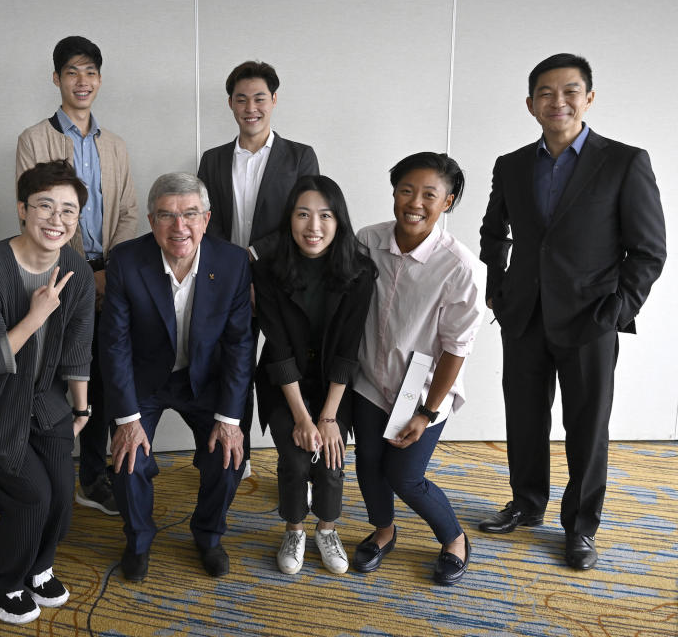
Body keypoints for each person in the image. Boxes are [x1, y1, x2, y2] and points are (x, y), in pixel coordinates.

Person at [478, 54, 667, 570]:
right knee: (523, 417)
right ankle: (526, 502)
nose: (556, 101)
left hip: (591, 319)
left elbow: (648, 251)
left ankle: (581, 527)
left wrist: (614, 312)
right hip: (523, 316)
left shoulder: (626, 161)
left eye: (569, 91)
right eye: (545, 92)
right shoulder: (511, 164)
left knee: (587, 426)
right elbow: (494, 233)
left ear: (588, 97)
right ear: (530, 103)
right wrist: (498, 288)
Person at [0, 160, 95, 624]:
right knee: (32, 497)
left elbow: (78, 347)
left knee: (63, 492)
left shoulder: (77, 271)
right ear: (23, 209)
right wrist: (35, 315)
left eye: (69, 210)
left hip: (40, 392)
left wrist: (81, 408)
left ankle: (39, 564)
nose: (57, 219)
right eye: (45, 206)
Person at [99, 173, 254, 582]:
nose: (179, 227)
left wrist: (229, 420)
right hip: (143, 377)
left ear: (206, 218)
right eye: (167, 215)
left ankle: (208, 536)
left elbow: (240, 345)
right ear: (151, 220)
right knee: (128, 461)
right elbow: (113, 343)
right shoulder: (127, 260)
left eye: (189, 214)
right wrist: (127, 420)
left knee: (228, 458)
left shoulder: (233, 263)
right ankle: (138, 541)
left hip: (204, 378)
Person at [17, 35, 139, 516]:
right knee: (58, 371)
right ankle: (51, 472)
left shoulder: (116, 145)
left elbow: (128, 211)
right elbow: (35, 214)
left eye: (90, 72)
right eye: (72, 72)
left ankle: (94, 474)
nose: (82, 81)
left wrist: (110, 271)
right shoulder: (34, 139)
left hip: (111, 275)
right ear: (56, 79)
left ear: (100, 80)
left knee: (104, 374)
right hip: (58, 274)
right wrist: (78, 275)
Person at [350, 152, 484, 586]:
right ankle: (384, 531)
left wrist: (427, 411)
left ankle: (454, 537)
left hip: (424, 392)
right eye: (407, 190)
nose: (415, 202)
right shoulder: (366, 241)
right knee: (369, 464)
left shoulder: (458, 265)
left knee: (404, 476)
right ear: (393, 191)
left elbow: (455, 348)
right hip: (370, 381)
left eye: (430, 194)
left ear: (447, 203)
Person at [197, 60, 319, 474]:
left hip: (282, 279)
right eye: (242, 99)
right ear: (230, 104)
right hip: (224, 282)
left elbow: (305, 219)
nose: (251, 107)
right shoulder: (212, 160)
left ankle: (300, 459)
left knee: (290, 365)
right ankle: (238, 450)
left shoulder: (300, 156)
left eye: (260, 98)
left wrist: (251, 256)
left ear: (274, 101)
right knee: (232, 365)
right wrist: (231, 269)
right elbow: (204, 221)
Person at [253, 175, 375, 575]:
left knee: (331, 458)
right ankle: (294, 529)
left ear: (339, 221)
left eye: (325, 215)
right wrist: (303, 419)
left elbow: (348, 349)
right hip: (284, 381)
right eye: (303, 214)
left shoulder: (360, 272)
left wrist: (326, 418)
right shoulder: (269, 271)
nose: (313, 226)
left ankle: (326, 529)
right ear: (290, 219)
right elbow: (279, 350)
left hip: (333, 385)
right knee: (294, 455)